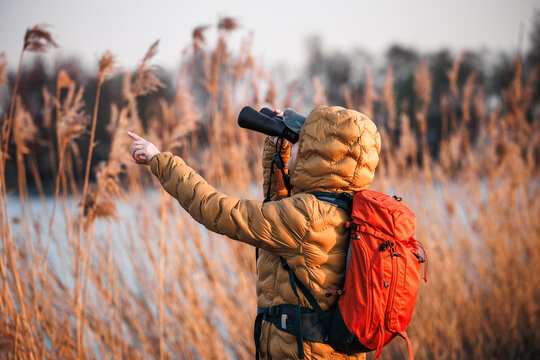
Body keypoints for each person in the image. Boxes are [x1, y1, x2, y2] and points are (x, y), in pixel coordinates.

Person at [128, 105, 381, 360]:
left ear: (318, 154)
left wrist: (159, 160)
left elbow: (216, 210)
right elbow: (279, 211)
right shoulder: (355, 209)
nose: (297, 148)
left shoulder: (303, 218)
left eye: (302, 142)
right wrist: (277, 147)